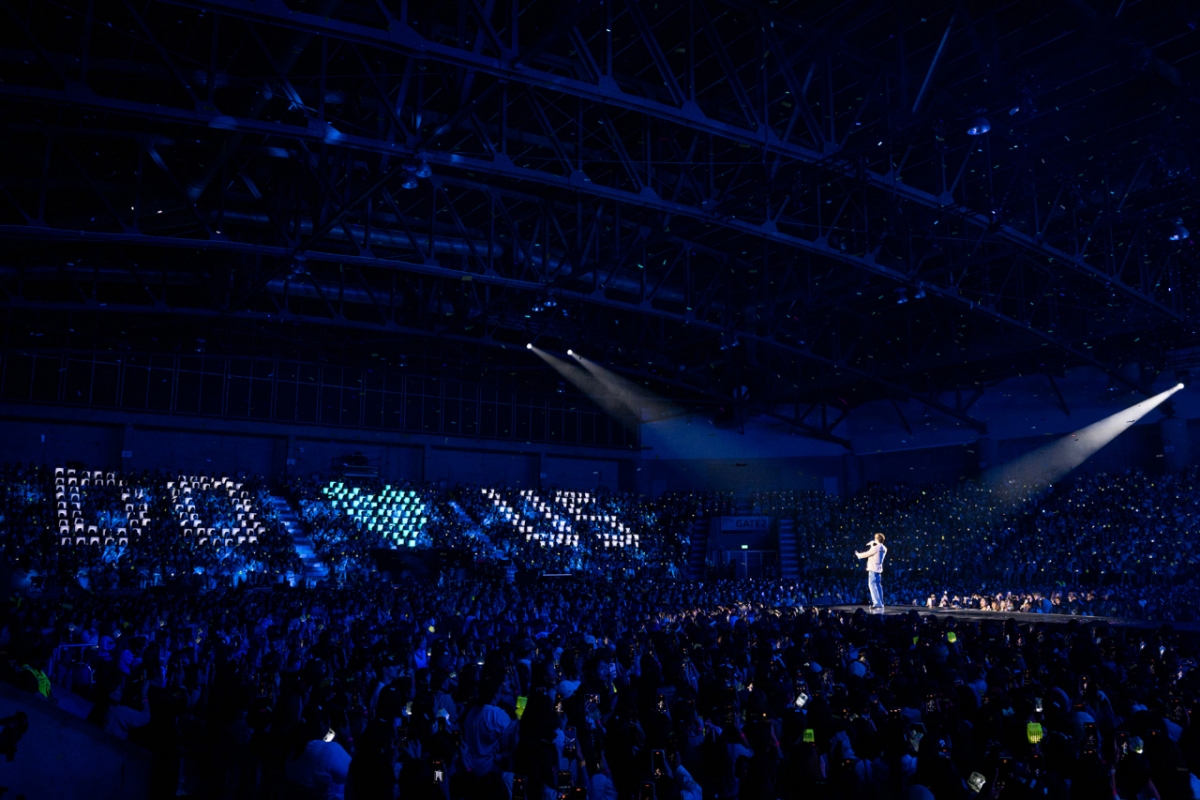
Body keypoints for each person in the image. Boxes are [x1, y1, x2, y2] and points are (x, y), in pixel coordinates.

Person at [855, 533, 887, 612]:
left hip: (873, 569)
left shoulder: (876, 548)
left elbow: (868, 553)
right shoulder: (884, 548)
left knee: (872, 585)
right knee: (878, 585)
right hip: (878, 569)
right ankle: (881, 602)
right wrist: (873, 544)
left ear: (876, 539)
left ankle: (877, 603)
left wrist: (858, 555)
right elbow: (874, 551)